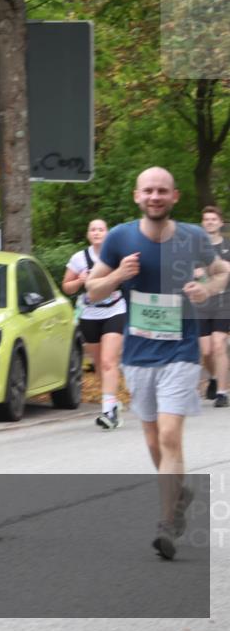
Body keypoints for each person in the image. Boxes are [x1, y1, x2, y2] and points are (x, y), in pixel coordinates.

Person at [86, 166, 228, 560]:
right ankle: (179, 494)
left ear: (174, 196)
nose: (155, 197)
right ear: (137, 196)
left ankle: (167, 523)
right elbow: (93, 290)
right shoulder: (120, 237)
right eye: (148, 190)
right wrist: (118, 274)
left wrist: (207, 289)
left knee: (168, 436)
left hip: (181, 352)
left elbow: (223, 271)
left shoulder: (193, 236)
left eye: (162, 191)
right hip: (138, 354)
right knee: (152, 439)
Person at [62, 219, 127, 429]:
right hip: (89, 314)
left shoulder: (116, 255)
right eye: (93, 230)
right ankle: (112, 401)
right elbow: (67, 287)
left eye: (101, 229)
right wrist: (80, 280)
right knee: (99, 364)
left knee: (109, 361)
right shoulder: (79, 258)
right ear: (88, 234)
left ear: (107, 233)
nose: (97, 233)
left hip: (115, 310)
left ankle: (108, 411)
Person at [196, 206, 230, 407]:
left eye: (213, 219)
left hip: (224, 301)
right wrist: (194, 274)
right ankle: (215, 377)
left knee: (219, 344)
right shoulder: (196, 248)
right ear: (203, 223)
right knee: (206, 351)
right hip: (202, 303)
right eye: (206, 219)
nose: (209, 222)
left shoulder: (228, 246)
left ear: (220, 223)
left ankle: (222, 393)